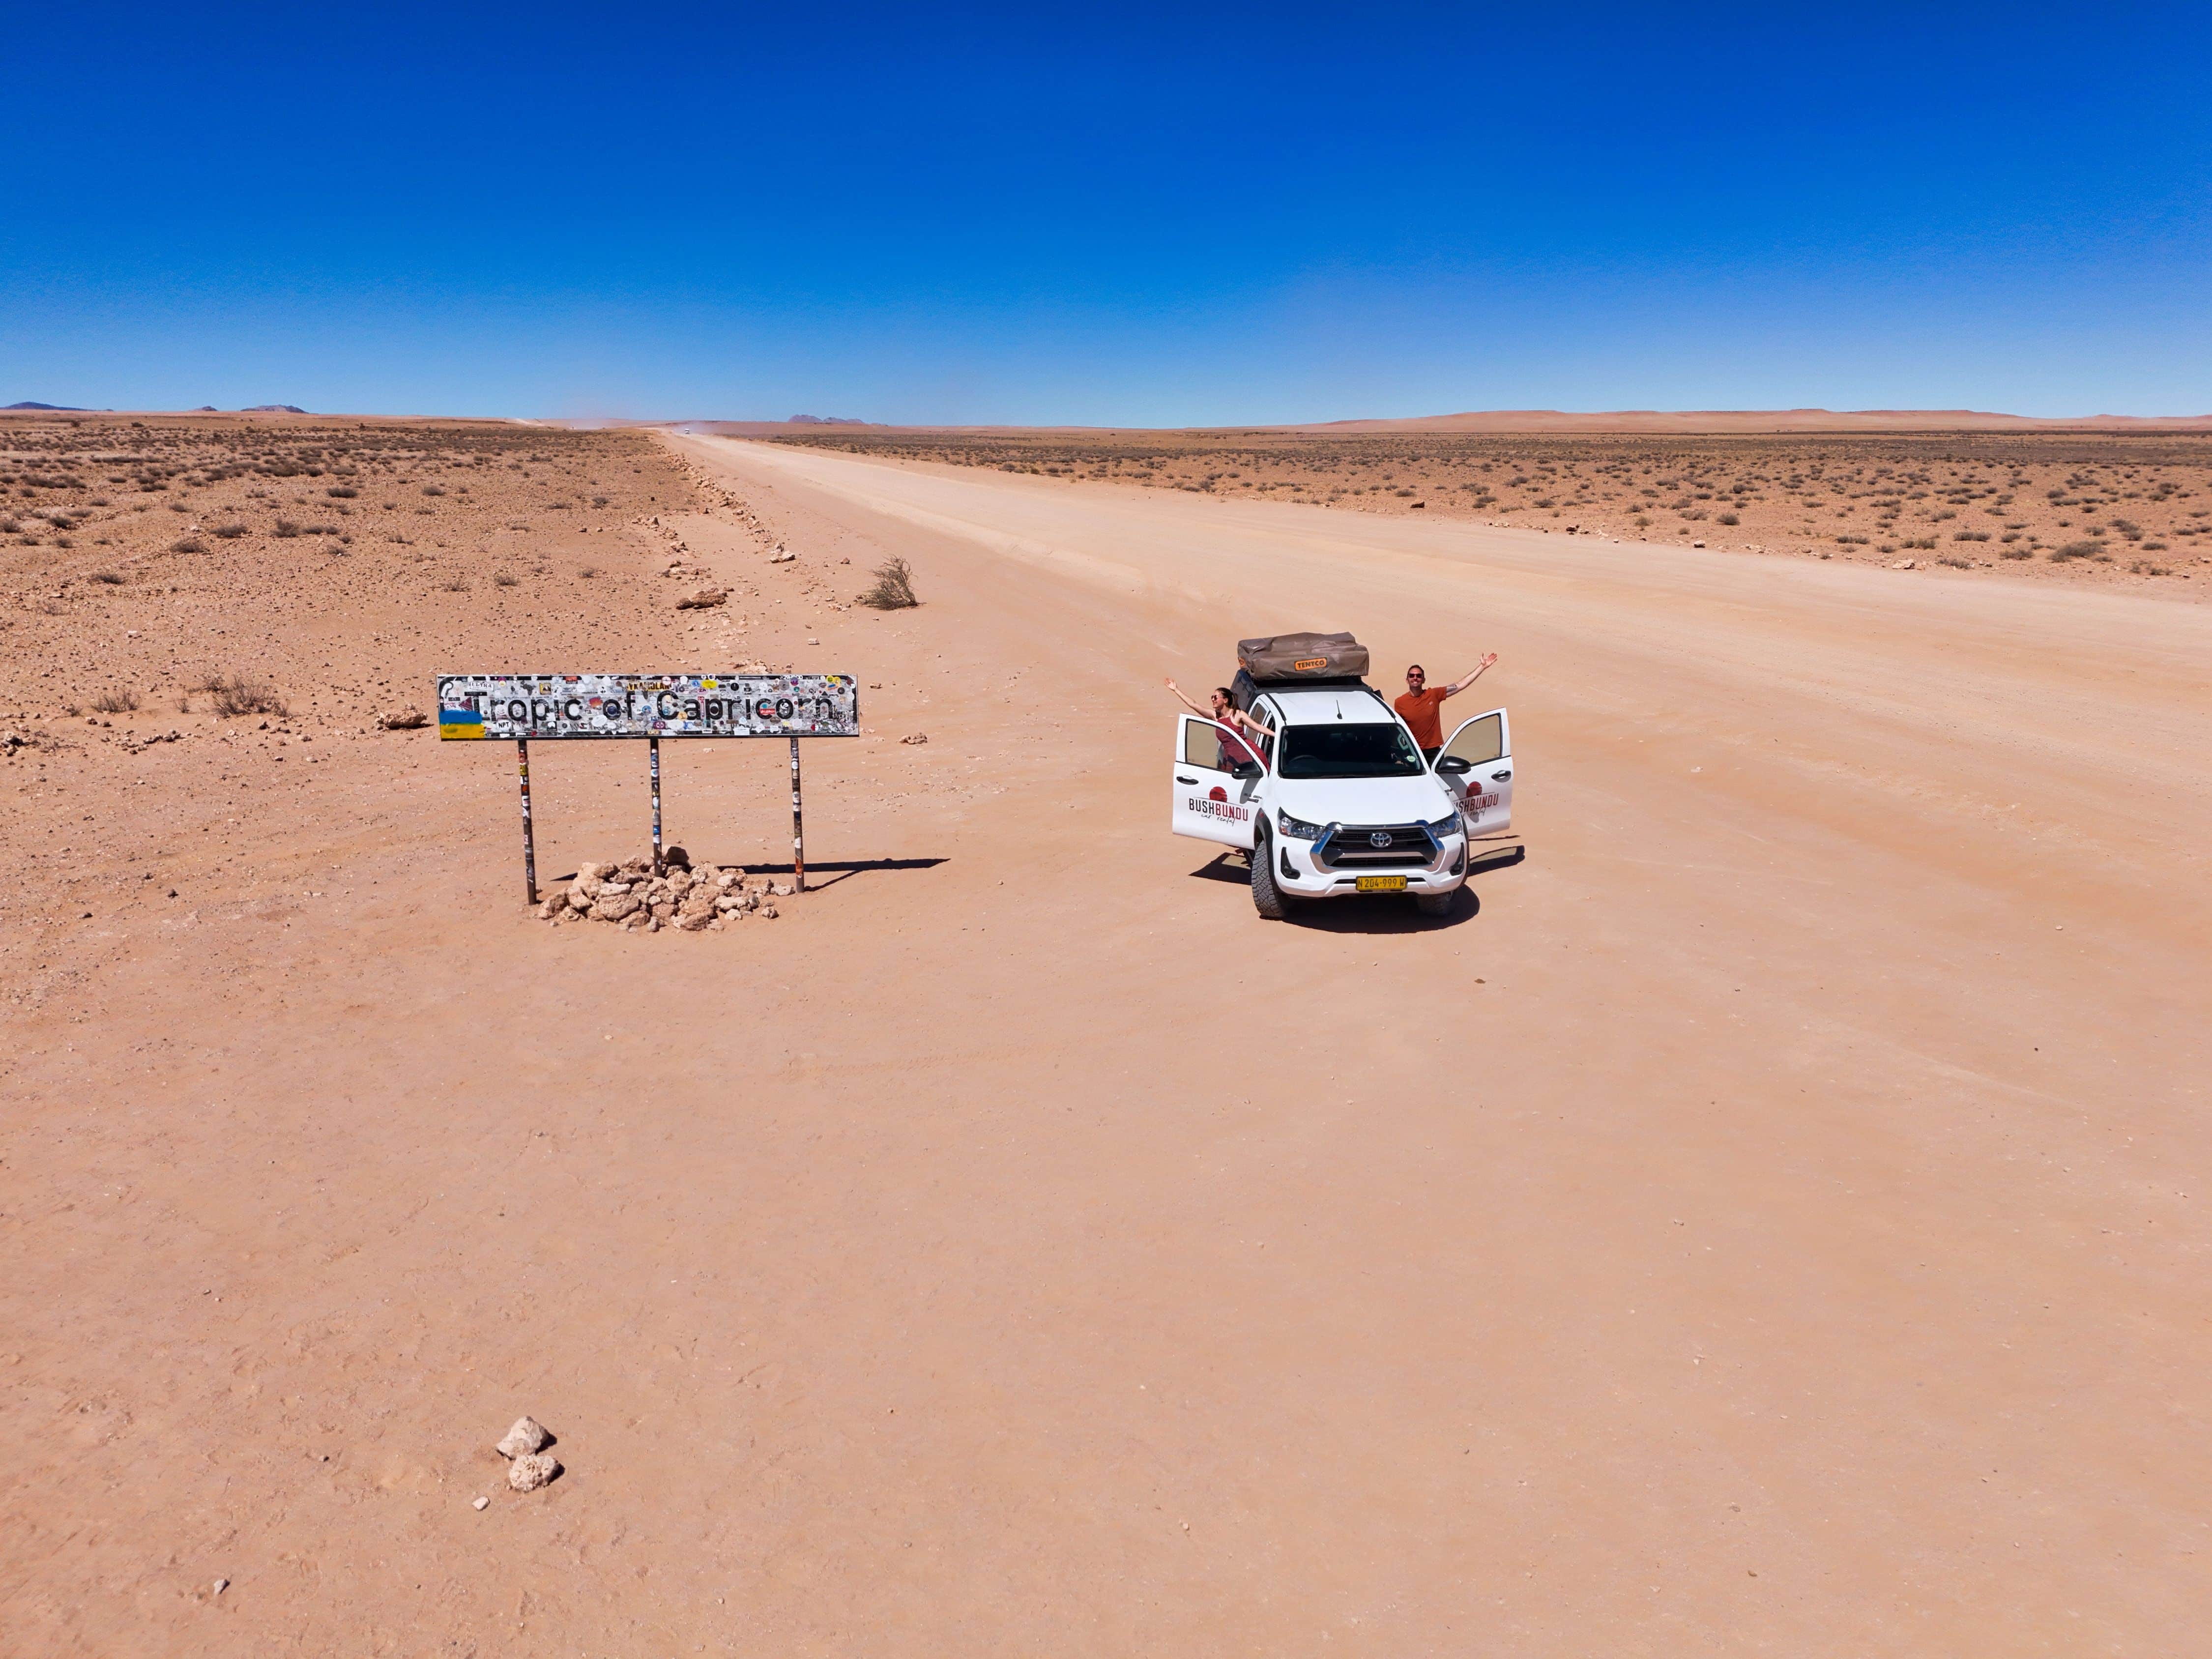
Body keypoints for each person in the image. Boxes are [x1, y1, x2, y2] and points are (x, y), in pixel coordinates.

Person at [1394, 656, 1497, 763]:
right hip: (1413, 751)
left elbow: (1460, 685)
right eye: (1412, 676)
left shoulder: (1433, 694)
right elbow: (1397, 729)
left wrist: (1482, 667)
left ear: (1423, 680)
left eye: (1419, 676)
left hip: (1433, 753)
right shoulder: (1400, 702)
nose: (1415, 678)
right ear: (1407, 680)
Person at [1165, 677, 1266, 769]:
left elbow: (1257, 727)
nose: (1213, 699)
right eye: (1212, 697)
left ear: (1225, 700)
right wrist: (1176, 690)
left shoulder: (1238, 714)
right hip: (1230, 760)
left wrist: (1277, 734)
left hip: (1248, 759)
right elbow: (1194, 704)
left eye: (1216, 697)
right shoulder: (1215, 717)